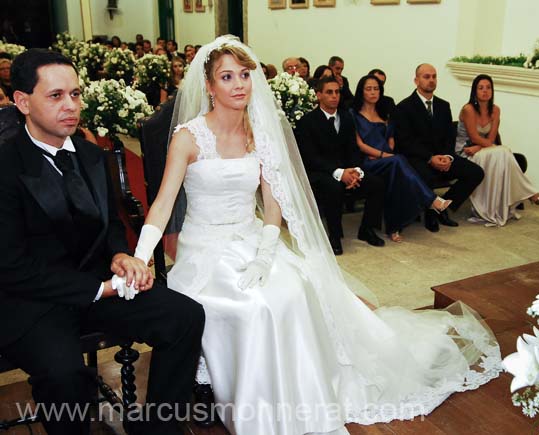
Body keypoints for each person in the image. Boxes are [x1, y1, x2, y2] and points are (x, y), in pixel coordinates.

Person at [131, 35, 501, 435]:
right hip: (205, 248)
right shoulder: (189, 137)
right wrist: (139, 256)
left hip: (254, 238)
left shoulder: (259, 135)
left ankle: (301, 395)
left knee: (293, 289)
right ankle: (255, 409)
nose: (238, 84)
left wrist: (265, 252)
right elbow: (164, 203)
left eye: (244, 75)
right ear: (209, 85)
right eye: (226, 76)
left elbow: (272, 207)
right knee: (253, 306)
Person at [0, 49, 205, 435]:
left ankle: (158, 428)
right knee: (64, 375)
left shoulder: (93, 156)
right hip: (34, 301)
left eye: (75, 94)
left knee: (184, 316)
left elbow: (110, 223)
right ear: (22, 101)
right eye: (56, 96)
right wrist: (101, 287)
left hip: (98, 285)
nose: (70, 105)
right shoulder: (7, 167)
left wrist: (120, 256)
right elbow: (11, 266)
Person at [351, 75, 451, 241]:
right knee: (398, 161)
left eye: (376, 89)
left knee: (395, 177)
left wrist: (388, 150)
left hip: (388, 160)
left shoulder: (384, 113)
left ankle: (394, 226)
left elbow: (391, 138)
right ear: (361, 92)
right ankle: (431, 200)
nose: (373, 92)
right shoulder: (353, 114)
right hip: (369, 162)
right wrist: (383, 155)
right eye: (368, 89)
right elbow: (360, 144)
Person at [297, 75, 386, 255]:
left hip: (347, 169)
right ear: (318, 95)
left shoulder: (346, 118)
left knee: (377, 184)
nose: (334, 96)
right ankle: (335, 236)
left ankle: (366, 229)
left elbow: (353, 149)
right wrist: (339, 173)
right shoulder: (307, 122)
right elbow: (310, 157)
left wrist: (355, 171)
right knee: (333, 187)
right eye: (329, 92)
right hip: (320, 172)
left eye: (337, 92)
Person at [394, 63, 484, 232]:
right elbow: (405, 142)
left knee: (476, 173)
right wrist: (430, 158)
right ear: (416, 80)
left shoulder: (444, 105)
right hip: (418, 158)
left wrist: (448, 157)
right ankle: (429, 215)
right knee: (426, 176)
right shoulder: (404, 107)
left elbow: (450, 136)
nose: (431, 80)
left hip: (443, 156)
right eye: (426, 77)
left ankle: (442, 209)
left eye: (434, 76)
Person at [456, 74, 539, 226]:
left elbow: (492, 138)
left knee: (502, 153)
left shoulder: (496, 110)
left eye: (488, 88)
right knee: (503, 152)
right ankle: (531, 194)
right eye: (481, 88)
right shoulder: (468, 109)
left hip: (482, 149)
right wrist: (480, 145)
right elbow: (474, 137)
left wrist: (480, 146)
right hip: (466, 151)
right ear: (474, 91)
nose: (485, 91)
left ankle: (515, 199)